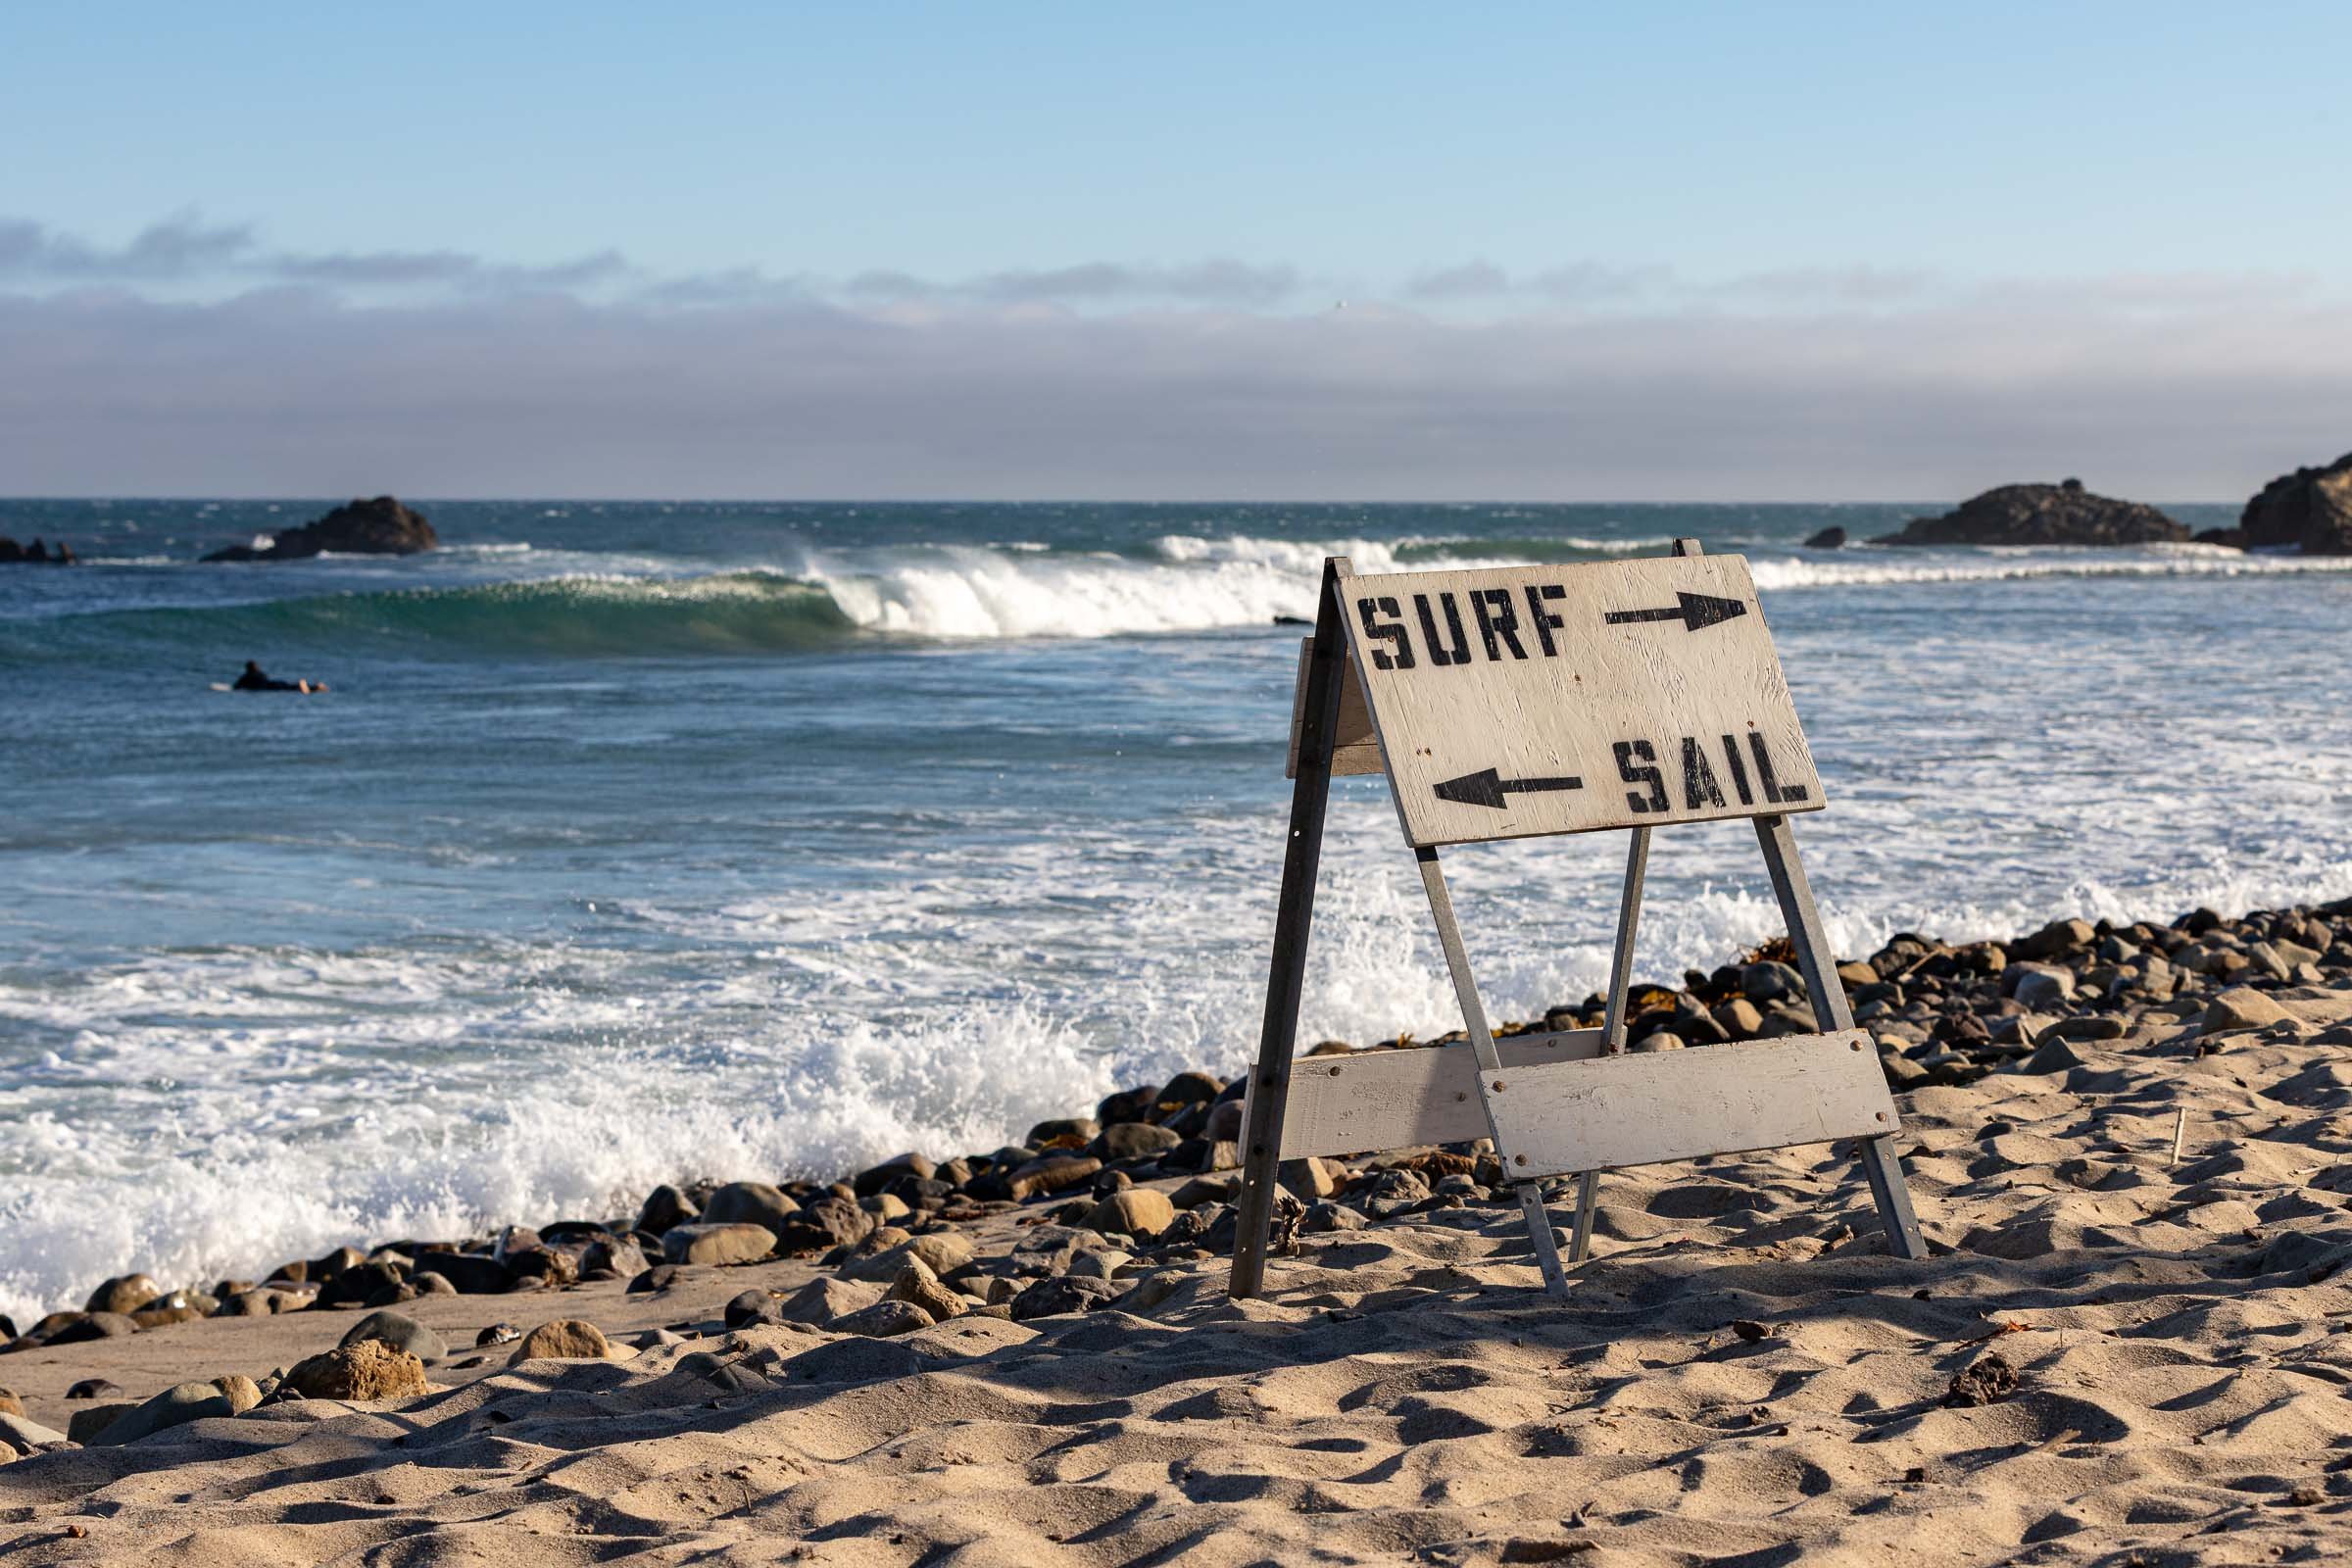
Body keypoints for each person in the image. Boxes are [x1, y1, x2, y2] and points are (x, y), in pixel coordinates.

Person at [231, 660, 327, 694]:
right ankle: (315, 687)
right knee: (289, 686)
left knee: (289, 689)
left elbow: (235, 687)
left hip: (269, 687)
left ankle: (307, 687)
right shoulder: (261, 674)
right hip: (273, 683)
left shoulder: (246, 676)